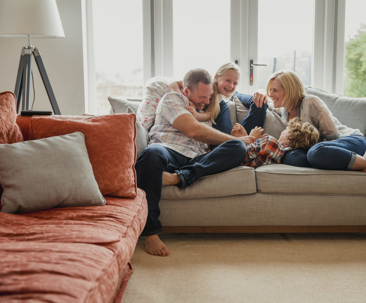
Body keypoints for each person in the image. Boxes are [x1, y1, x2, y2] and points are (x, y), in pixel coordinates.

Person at [135, 68, 255, 257]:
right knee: (151, 154)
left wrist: (237, 140)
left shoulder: (207, 110)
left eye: (209, 98)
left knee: (237, 149)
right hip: (168, 150)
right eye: (202, 97)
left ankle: (178, 178)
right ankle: (150, 233)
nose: (206, 102)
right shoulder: (171, 100)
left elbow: (214, 138)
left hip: (195, 158)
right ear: (186, 92)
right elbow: (193, 131)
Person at [255, 69, 366, 183]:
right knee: (290, 158)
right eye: (270, 90)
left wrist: (306, 146)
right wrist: (259, 92)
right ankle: (356, 167)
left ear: (289, 91)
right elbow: (252, 100)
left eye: (275, 90)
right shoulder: (282, 111)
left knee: (315, 153)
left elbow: (332, 135)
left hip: (349, 141)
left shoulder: (310, 102)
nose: (271, 94)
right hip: (323, 152)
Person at [137, 63, 268, 138]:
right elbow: (173, 84)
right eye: (228, 80)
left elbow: (209, 114)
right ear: (216, 77)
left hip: (220, 118)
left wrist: (197, 115)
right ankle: (242, 140)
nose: (231, 86)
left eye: (235, 83)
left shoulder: (220, 100)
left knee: (259, 103)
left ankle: (243, 137)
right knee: (223, 106)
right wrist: (184, 101)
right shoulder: (205, 84)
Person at [231, 117, 319, 168]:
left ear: (290, 136)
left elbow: (241, 155)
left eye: (286, 129)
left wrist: (249, 137)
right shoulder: (282, 152)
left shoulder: (271, 142)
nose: (283, 131)